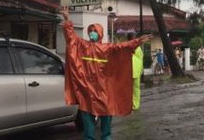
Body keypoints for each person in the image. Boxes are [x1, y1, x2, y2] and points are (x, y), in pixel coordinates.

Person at [61, 7, 152, 140]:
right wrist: (67, 19)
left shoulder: (107, 49)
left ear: (100, 33)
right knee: (88, 125)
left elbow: (122, 47)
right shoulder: (82, 46)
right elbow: (71, 38)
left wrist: (137, 41)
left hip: (104, 92)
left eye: (95, 31)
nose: (92, 33)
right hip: (87, 92)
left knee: (106, 123)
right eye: (90, 31)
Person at [128, 33, 144, 111]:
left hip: (130, 71)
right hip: (135, 71)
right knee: (136, 89)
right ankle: (135, 105)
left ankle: (131, 104)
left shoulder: (126, 47)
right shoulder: (138, 48)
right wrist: (141, 70)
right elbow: (141, 59)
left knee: (130, 89)